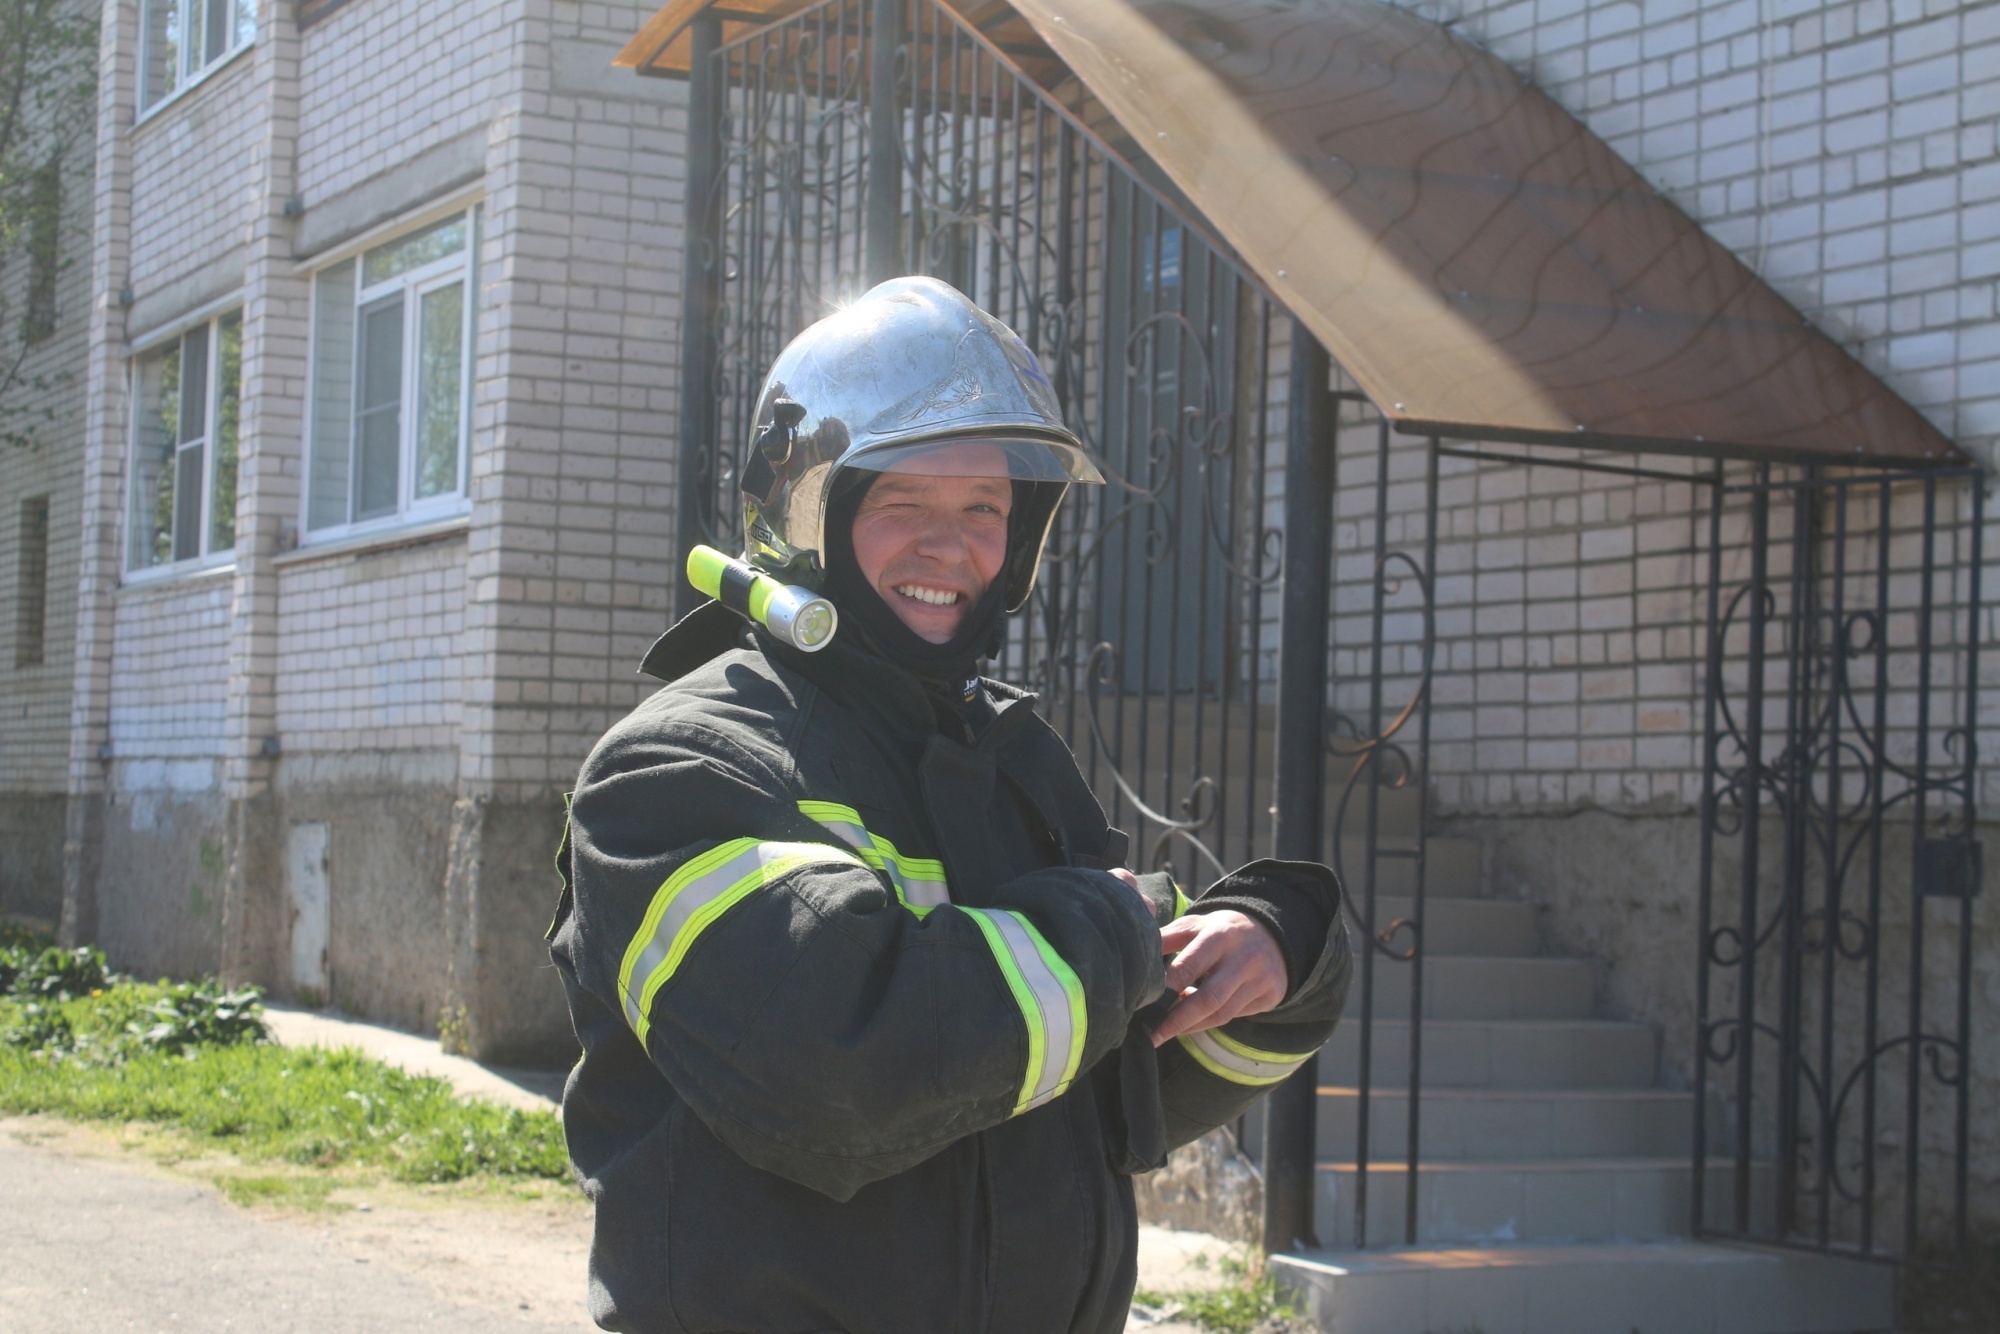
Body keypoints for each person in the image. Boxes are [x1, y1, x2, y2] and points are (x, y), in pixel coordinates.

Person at [546, 276, 1350, 1334]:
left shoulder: (1003, 760)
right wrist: (1116, 927)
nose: (951, 545)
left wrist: (1271, 953)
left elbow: (1099, 1079)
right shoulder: (684, 766)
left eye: (983, 509)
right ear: (812, 515)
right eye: (903, 503)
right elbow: (842, 1066)